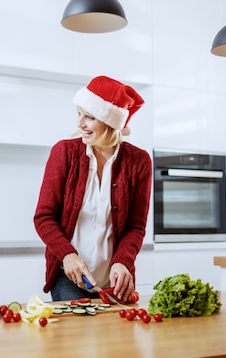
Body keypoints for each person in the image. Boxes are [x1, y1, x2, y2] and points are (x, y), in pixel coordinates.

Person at [34, 75, 152, 302]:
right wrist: (67, 255)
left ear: (110, 122)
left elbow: (136, 226)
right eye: (79, 114)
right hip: (69, 276)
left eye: (89, 117)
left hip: (115, 283)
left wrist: (122, 261)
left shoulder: (139, 162)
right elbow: (44, 217)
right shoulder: (64, 153)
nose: (80, 124)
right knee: (76, 335)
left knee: (118, 337)